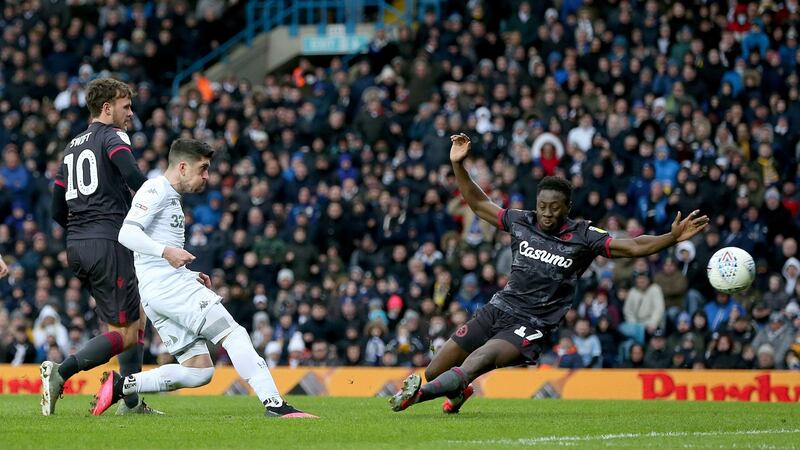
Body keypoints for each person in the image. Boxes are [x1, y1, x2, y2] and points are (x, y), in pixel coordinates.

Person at [390, 133, 709, 413]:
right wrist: (458, 165)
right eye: (542, 205)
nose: (546, 213)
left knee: (480, 360)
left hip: (532, 324)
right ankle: (454, 392)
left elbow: (633, 246)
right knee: (435, 366)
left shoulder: (584, 236)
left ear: (567, 207)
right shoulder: (522, 221)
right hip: (499, 308)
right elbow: (478, 204)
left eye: (554, 207)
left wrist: (670, 238)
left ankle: (418, 396)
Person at [90, 139, 316, 418]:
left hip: (159, 292)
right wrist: (168, 253)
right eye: (203, 169)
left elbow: (154, 248)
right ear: (182, 167)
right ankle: (275, 404)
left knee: (199, 372)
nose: (207, 176)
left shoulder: (170, 195)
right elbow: (126, 234)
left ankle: (123, 385)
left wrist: (186, 271)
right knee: (234, 333)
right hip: (169, 288)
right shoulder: (155, 189)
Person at [41, 78, 156, 416]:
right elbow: (134, 179)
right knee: (129, 334)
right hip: (108, 242)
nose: (130, 113)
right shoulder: (113, 136)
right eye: (125, 106)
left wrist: (82, 231)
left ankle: (132, 401)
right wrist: (160, 201)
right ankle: (60, 373)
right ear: (107, 108)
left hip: (78, 244)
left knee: (135, 320)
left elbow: (54, 209)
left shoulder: (71, 146)